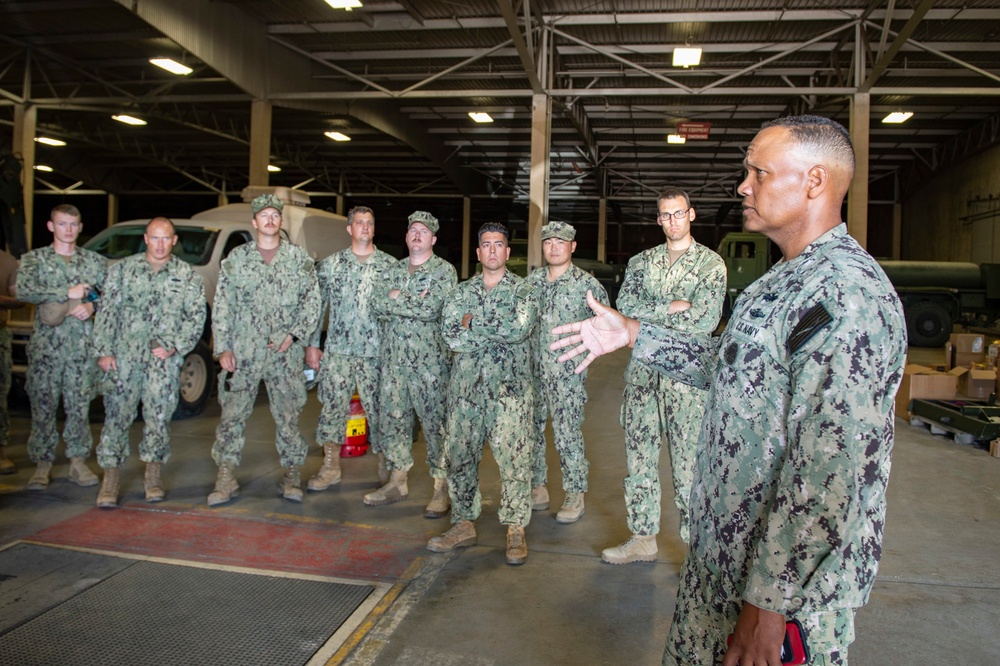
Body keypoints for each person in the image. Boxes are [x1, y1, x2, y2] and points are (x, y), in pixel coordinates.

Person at [551, 116, 906, 665]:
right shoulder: (779, 282)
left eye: (758, 173)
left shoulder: (847, 296)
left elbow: (831, 470)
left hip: (780, 597)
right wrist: (634, 333)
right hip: (725, 564)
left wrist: (769, 606)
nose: (744, 186)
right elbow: (728, 367)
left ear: (814, 182)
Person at [603, 188, 726, 564]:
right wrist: (673, 307)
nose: (672, 221)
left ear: (691, 215)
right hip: (643, 378)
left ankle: (697, 551)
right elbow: (625, 308)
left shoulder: (711, 265)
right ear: (658, 220)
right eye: (664, 215)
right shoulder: (642, 262)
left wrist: (646, 318)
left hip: (686, 382)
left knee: (689, 468)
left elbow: (705, 320)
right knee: (639, 462)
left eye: (678, 213)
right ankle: (643, 537)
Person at [427, 222, 537, 565]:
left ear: (507, 252)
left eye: (498, 244)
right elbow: (450, 336)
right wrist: (491, 325)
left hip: (510, 393)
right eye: (486, 244)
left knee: (515, 461)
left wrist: (471, 322)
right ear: (478, 253)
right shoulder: (460, 293)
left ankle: (516, 527)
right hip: (466, 392)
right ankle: (462, 522)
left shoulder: (524, 291)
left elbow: (518, 330)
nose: (492, 250)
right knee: (460, 457)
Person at [207, 194, 321, 505]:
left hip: (284, 353)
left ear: (280, 222)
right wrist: (223, 348)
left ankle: (292, 473)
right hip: (243, 353)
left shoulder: (299, 260)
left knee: (288, 416)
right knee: (232, 415)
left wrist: (294, 336)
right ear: (254, 222)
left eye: (275, 215)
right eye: (264, 215)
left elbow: (312, 304)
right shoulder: (236, 260)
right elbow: (222, 307)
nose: (269, 220)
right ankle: (226, 476)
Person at [91, 217, 206, 507]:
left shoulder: (186, 275)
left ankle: (153, 477)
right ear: (145, 239)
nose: (160, 244)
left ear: (174, 241)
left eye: (165, 238)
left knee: (158, 419)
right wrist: (104, 352)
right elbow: (106, 313)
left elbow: (196, 319)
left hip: (162, 364)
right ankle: (110, 480)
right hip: (124, 359)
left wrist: (175, 347)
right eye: (154, 238)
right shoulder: (122, 271)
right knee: (116, 418)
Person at [366, 211, 457, 515]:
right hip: (394, 364)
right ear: (407, 237)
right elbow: (377, 305)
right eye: (413, 230)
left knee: (436, 427)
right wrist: (410, 299)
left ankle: (442, 487)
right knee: (394, 422)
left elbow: (432, 309)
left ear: (433, 239)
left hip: (430, 367)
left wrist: (397, 299)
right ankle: (397, 480)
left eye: (424, 232)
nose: (417, 235)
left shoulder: (444, 272)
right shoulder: (391, 270)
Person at [16, 204, 107, 490]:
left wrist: (92, 305)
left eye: (73, 224)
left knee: (79, 406)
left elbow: (108, 293)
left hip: (81, 349)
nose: (68, 229)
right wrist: (65, 293)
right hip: (47, 349)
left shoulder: (94, 262)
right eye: (62, 224)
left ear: (80, 228)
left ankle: (77, 463)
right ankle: (42, 465)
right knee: (43, 405)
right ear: (51, 226)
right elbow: (23, 290)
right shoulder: (36, 260)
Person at [305, 205, 394, 492]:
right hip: (338, 353)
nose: (364, 227)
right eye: (359, 223)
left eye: (369, 223)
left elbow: (396, 312)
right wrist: (312, 345)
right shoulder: (332, 265)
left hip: (375, 353)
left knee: (380, 411)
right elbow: (317, 307)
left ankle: (385, 466)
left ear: (374, 228)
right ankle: (330, 467)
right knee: (332, 409)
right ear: (349, 228)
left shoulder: (389, 266)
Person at [525, 221, 608, 523]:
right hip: (532, 371)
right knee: (531, 430)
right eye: (549, 242)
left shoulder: (587, 285)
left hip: (567, 374)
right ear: (543, 246)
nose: (554, 247)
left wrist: (585, 357)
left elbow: (606, 325)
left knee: (567, 433)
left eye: (561, 242)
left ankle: (575, 493)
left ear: (572, 247)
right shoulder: (531, 283)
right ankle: (537, 487)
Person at [0, 248, 22, 474]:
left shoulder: (6, 261)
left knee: (0, 394)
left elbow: (19, 300)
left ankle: (1, 451)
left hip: (1, 334)